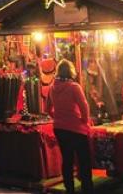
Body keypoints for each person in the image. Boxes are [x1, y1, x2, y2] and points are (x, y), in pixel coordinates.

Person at [46, 59, 93, 194]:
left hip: (60, 128)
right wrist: (84, 121)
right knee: (84, 160)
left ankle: (70, 189)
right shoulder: (74, 87)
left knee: (67, 160)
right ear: (71, 71)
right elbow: (85, 107)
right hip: (76, 128)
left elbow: (47, 108)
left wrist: (57, 117)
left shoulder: (52, 87)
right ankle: (87, 189)